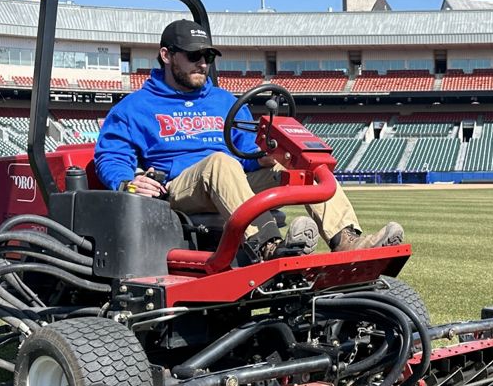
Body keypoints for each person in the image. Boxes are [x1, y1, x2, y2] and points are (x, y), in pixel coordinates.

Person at [94, 20, 404, 262]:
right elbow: (110, 156)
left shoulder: (222, 100)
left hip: (232, 179)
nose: (202, 62)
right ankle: (267, 244)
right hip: (180, 188)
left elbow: (242, 150)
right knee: (219, 162)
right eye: (193, 55)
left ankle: (346, 239)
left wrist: (264, 157)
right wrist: (126, 183)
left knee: (304, 164)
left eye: (208, 56)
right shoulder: (135, 107)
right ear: (166, 55)